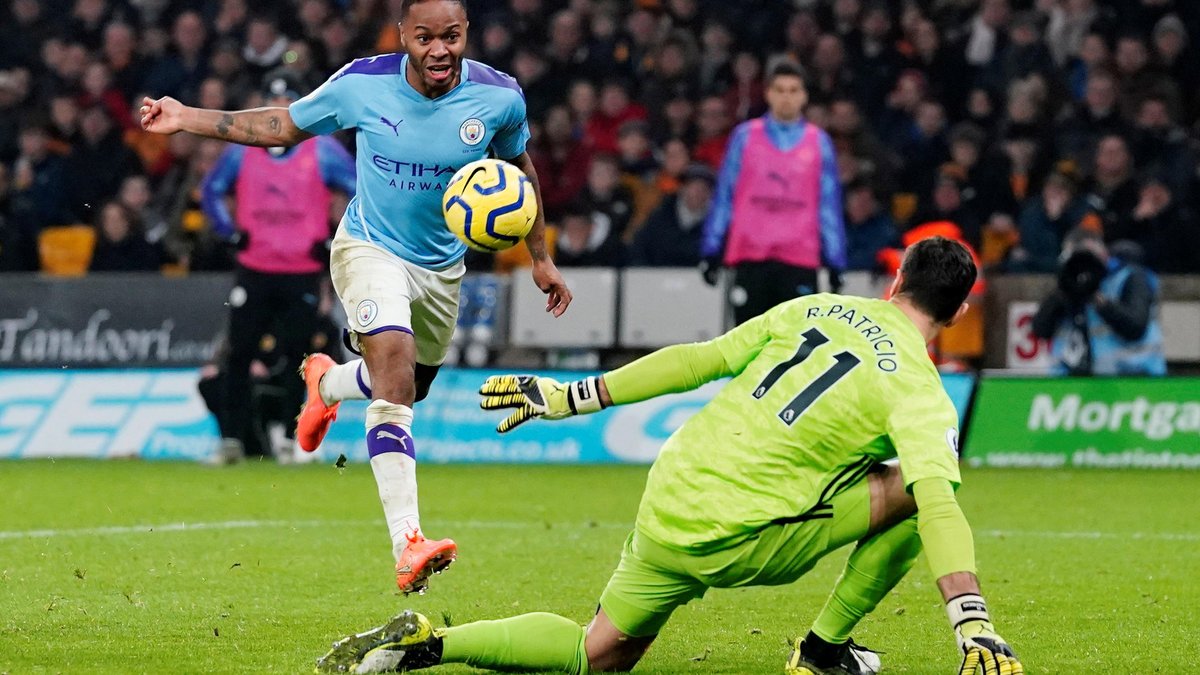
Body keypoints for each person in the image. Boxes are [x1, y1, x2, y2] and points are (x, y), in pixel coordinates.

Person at [314, 237, 1022, 675]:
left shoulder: (815, 307)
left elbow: (696, 360)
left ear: (894, 283)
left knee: (597, 651)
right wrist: (972, 620)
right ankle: (822, 653)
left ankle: (433, 644)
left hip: (672, 495)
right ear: (958, 313)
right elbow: (940, 505)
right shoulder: (922, 391)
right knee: (919, 489)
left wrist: (570, 397)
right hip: (742, 535)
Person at [139, 0, 572, 595]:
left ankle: (329, 384)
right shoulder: (362, 84)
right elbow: (282, 126)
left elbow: (520, 172)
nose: (439, 50)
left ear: (466, 33)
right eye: (425, 37)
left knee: (412, 385)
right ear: (403, 35)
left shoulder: (500, 97)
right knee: (394, 368)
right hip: (369, 248)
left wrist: (540, 257)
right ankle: (408, 544)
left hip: (442, 267)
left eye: (451, 36)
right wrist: (186, 116)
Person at [198, 73, 356, 461]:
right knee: (239, 353)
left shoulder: (321, 149)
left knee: (298, 356)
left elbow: (361, 188)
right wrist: (229, 233)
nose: (281, 110)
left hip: (302, 270)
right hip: (255, 268)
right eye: (274, 101)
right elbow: (211, 190)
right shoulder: (243, 150)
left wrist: (336, 238)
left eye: (288, 102)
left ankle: (291, 438)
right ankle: (231, 440)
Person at [700, 61, 846, 325]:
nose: (786, 97)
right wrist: (711, 248)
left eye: (793, 90)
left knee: (795, 341)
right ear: (768, 93)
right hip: (750, 254)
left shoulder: (818, 142)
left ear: (804, 96)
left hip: (799, 256)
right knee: (748, 339)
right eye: (779, 90)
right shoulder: (745, 137)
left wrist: (835, 259)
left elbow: (828, 204)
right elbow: (725, 195)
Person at [1031, 228, 1166, 376]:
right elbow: (1040, 330)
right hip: (1082, 379)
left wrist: (1100, 301)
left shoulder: (1129, 278)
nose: (1083, 264)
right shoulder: (1068, 285)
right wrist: (1064, 291)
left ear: (1103, 253)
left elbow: (1136, 327)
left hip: (1135, 376)